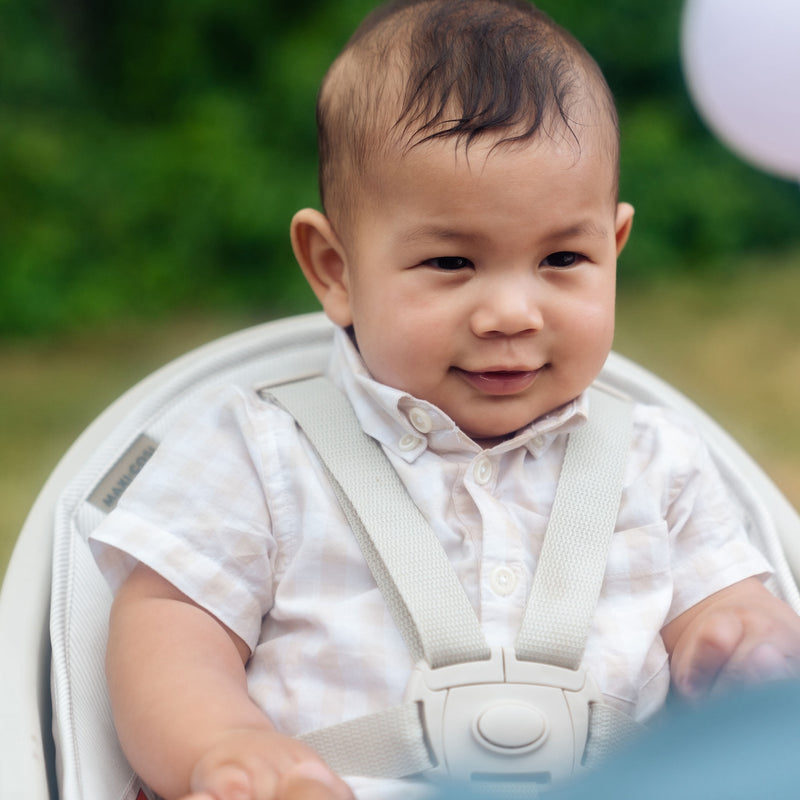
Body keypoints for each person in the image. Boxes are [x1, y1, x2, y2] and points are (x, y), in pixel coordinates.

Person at [89, 2, 800, 799]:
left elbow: (729, 606)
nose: (510, 313)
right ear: (334, 268)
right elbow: (168, 632)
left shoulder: (657, 461)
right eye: (451, 263)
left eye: (563, 257)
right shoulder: (256, 448)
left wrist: (740, 640)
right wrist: (222, 743)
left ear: (615, 247)